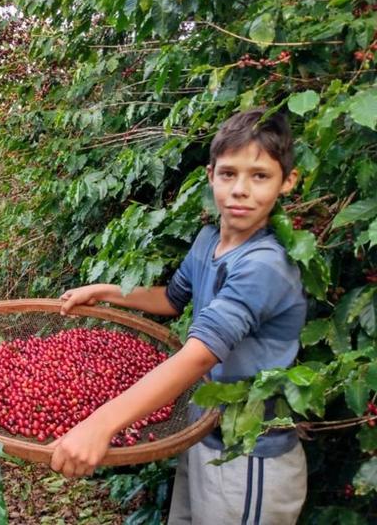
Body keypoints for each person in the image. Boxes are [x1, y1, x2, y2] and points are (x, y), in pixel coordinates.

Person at [52, 108, 308, 524]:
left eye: (260, 176)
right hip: (204, 435)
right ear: (210, 176)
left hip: (247, 456)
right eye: (228, 174)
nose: (240, 189)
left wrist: (101, 424)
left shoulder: (264, 265)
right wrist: (107, 293)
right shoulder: (208, 241)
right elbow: (172, 299)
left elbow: (199, 356)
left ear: (287, 182)